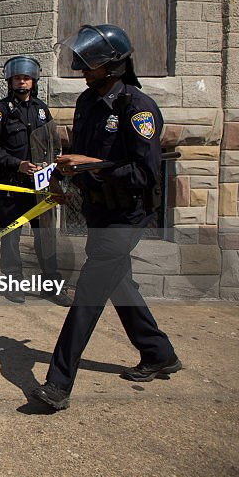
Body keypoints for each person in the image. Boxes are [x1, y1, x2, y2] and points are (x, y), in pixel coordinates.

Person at [32, 24, 181, 411]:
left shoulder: (138, 108)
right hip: (98, 207)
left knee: (89, 294)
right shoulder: (86, 102)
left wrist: (92, 164)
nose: (84, 69)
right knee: (120, 283)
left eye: (91, 65)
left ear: (114, 66)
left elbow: (145, 173)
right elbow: (76, 157)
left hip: (127, 214)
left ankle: (58, 383)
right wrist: (61, 177)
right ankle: (158, 352)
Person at [0, 56, 71, 306]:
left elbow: (52, 143)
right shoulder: (0, 112)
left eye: (27, 78)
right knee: (11, 237)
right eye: (18, 78)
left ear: (34, 81)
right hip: (12, 185)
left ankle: (51, 285)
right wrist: (16, 164)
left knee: (46, 237)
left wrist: (55, 172)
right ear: (10, 81)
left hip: (40, 186)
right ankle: (13, 283)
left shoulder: (42, 109)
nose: (23, 82)